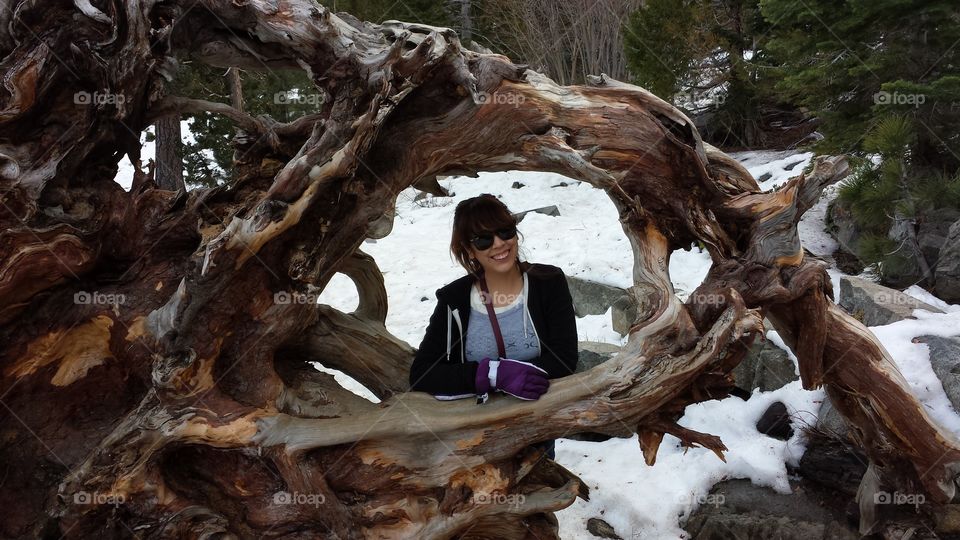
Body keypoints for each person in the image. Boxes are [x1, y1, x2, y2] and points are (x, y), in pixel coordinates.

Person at [408, 193, 578, 459]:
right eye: (483, 239)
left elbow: (565, 358)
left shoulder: (548, 283)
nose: (499, 244)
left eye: (505, 231)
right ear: (468, 249)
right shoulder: (455, 300)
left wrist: (516, 373)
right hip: (470, 438)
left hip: (534, 432)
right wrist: (493, 374)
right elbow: (423, 374)